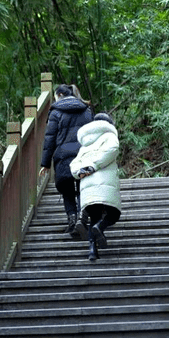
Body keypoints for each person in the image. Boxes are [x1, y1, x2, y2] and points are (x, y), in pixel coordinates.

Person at [39, 84, 93, 236]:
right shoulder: (86, 110)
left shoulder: (55, 112)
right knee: (83, 187)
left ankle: (72, 220)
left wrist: (45, 163)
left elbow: (50, 139)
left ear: (60, 95)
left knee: (67, 190)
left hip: (64, 158)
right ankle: (82, 219)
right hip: (84, 156)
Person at [70, 112, 122, 261]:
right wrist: (93, 166)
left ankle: (92, 250)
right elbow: (112, 151)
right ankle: (100, 227)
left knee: (94, 215)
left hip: (87, 185)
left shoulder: (85, 144)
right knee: (113, 213)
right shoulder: (109, 136)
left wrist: (80, 172)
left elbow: (74, 164)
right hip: (105, 181)